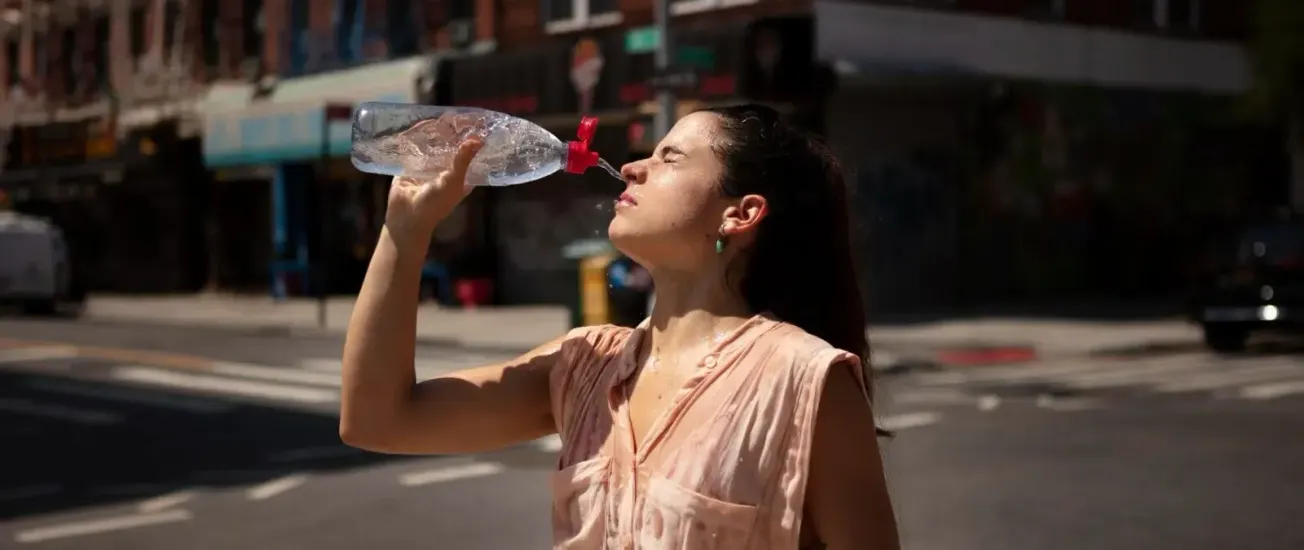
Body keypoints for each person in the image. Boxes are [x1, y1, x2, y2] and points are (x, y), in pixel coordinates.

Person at [340, 104, 900, 549]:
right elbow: (377, 420)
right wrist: (405, 231)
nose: (634, 166)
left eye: (670, 157)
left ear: (740, 213)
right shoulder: (583, 366)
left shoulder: (804, 381)